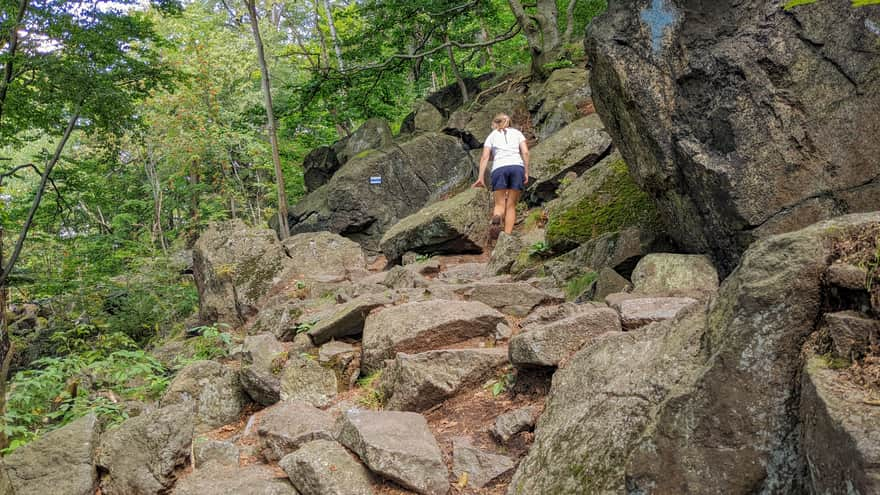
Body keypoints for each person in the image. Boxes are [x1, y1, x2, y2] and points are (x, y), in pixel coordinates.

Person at [472, 113, 529, 240]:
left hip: (499, 168)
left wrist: (480, 177)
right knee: (511, 205)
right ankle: (507, 238)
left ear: (495, 123)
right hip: (516, 167)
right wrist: (526, 171)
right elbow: (525, 152)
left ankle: (497, 216)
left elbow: (485, 156)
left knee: (499, 204)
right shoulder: (517, 133)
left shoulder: (491, 136)